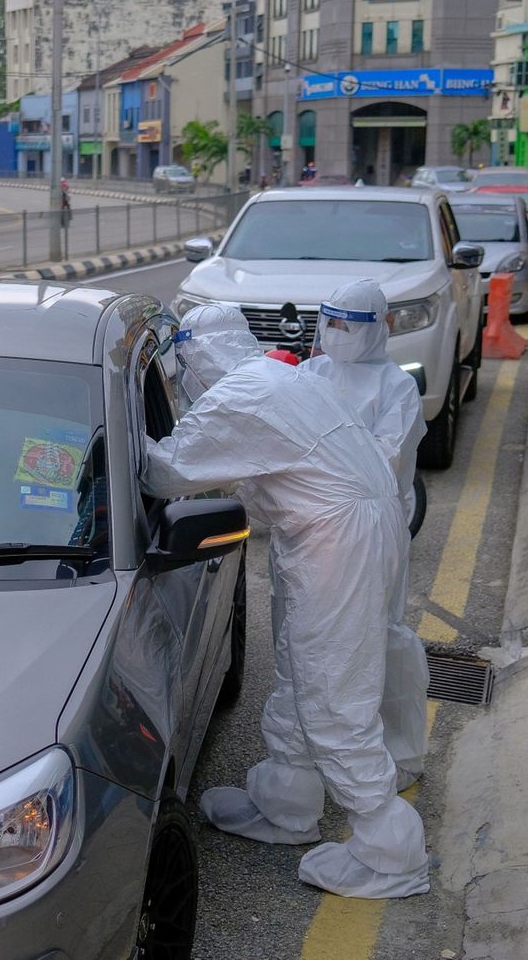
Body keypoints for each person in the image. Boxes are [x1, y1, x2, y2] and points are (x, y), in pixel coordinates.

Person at [145, 306, 428, 899]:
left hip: (337, 538)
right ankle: (286, 802)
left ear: (197, 360)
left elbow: (165, 474)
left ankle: (391, 852)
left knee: (333, 690)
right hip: (352, 527)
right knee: (303, 670)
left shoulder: (242, 391)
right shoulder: (281, 377)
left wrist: (84, 442)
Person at [303, 280, 427, 789]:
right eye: (330, 321)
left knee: (370, 641)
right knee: (309, 644)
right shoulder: (312, 373)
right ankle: (315, 756)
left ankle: (385, 760)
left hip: (369, 533)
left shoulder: (395, 386)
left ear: (380, 327)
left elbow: (383, 461)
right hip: (309, 532)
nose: (338, 334)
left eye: (349, 324)